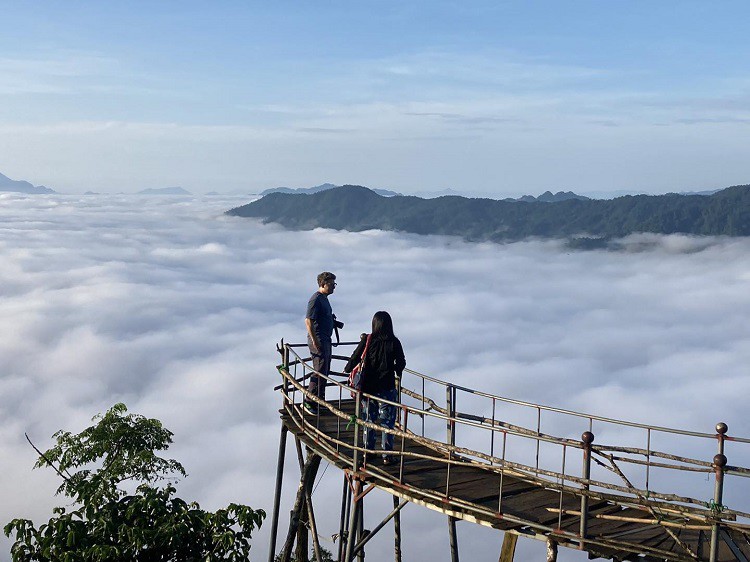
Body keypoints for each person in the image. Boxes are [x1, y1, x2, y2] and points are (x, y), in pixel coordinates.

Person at [345, 311, 406, 465]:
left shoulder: (368, 340)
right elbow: (401, 363)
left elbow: (356, 356)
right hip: (387, 386)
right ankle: (387, 455)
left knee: (368, 419)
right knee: (387, 421)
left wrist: (348, 368)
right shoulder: (394, 342)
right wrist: (396, 370)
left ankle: (367, 452)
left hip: (368, 387)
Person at [304, 271, 339, 413]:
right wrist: (315, 340)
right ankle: (309, 401)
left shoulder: (324, 298)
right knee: (319, 370)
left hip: (325, 338)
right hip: (319, 339)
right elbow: (308, 321)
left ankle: (319, 400)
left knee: (324, 370)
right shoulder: (316, 299)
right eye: (331, 284)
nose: (334, 287)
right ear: (323, 284)